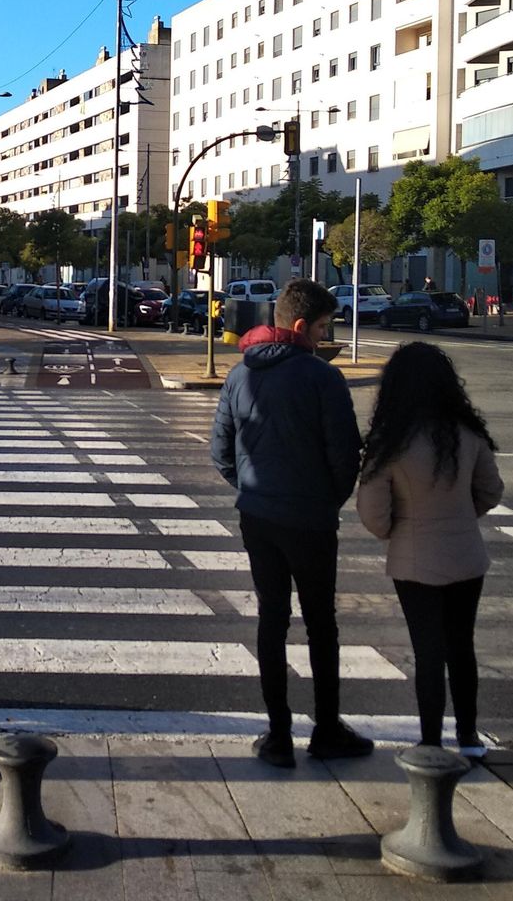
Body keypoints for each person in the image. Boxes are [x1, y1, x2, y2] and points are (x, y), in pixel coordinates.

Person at [211, 279, 371, 767]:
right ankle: (326, 729)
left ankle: (278, 734)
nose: (325, 337)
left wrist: (251, 488)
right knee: (321, 624)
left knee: (272, 619)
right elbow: (345, 455)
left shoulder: (240, 374)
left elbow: (220, 452)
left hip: (258, 516)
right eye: (322, 328)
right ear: (301, 326)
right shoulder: (323, 378)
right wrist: (327, 501)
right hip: (311, 520)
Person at [356, 343, 503, 759]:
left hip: (413, 558)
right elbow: (491, 490)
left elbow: (372, 512)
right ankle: (469, 737)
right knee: (462, 647)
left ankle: (431, 740)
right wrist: (462, 515)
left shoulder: (390, 442)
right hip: (467, 555)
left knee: (428, 652)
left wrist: (398, 530)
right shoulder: (467, 432)